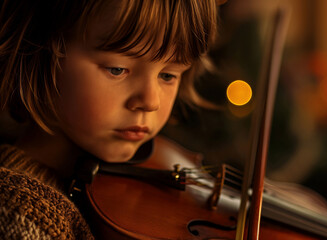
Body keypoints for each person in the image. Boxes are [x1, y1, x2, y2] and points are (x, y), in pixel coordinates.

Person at [0, 0, 218, 238]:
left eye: (167, 75)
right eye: (117, 69)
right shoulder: (21, 215)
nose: (151, 101)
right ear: (40, 51)